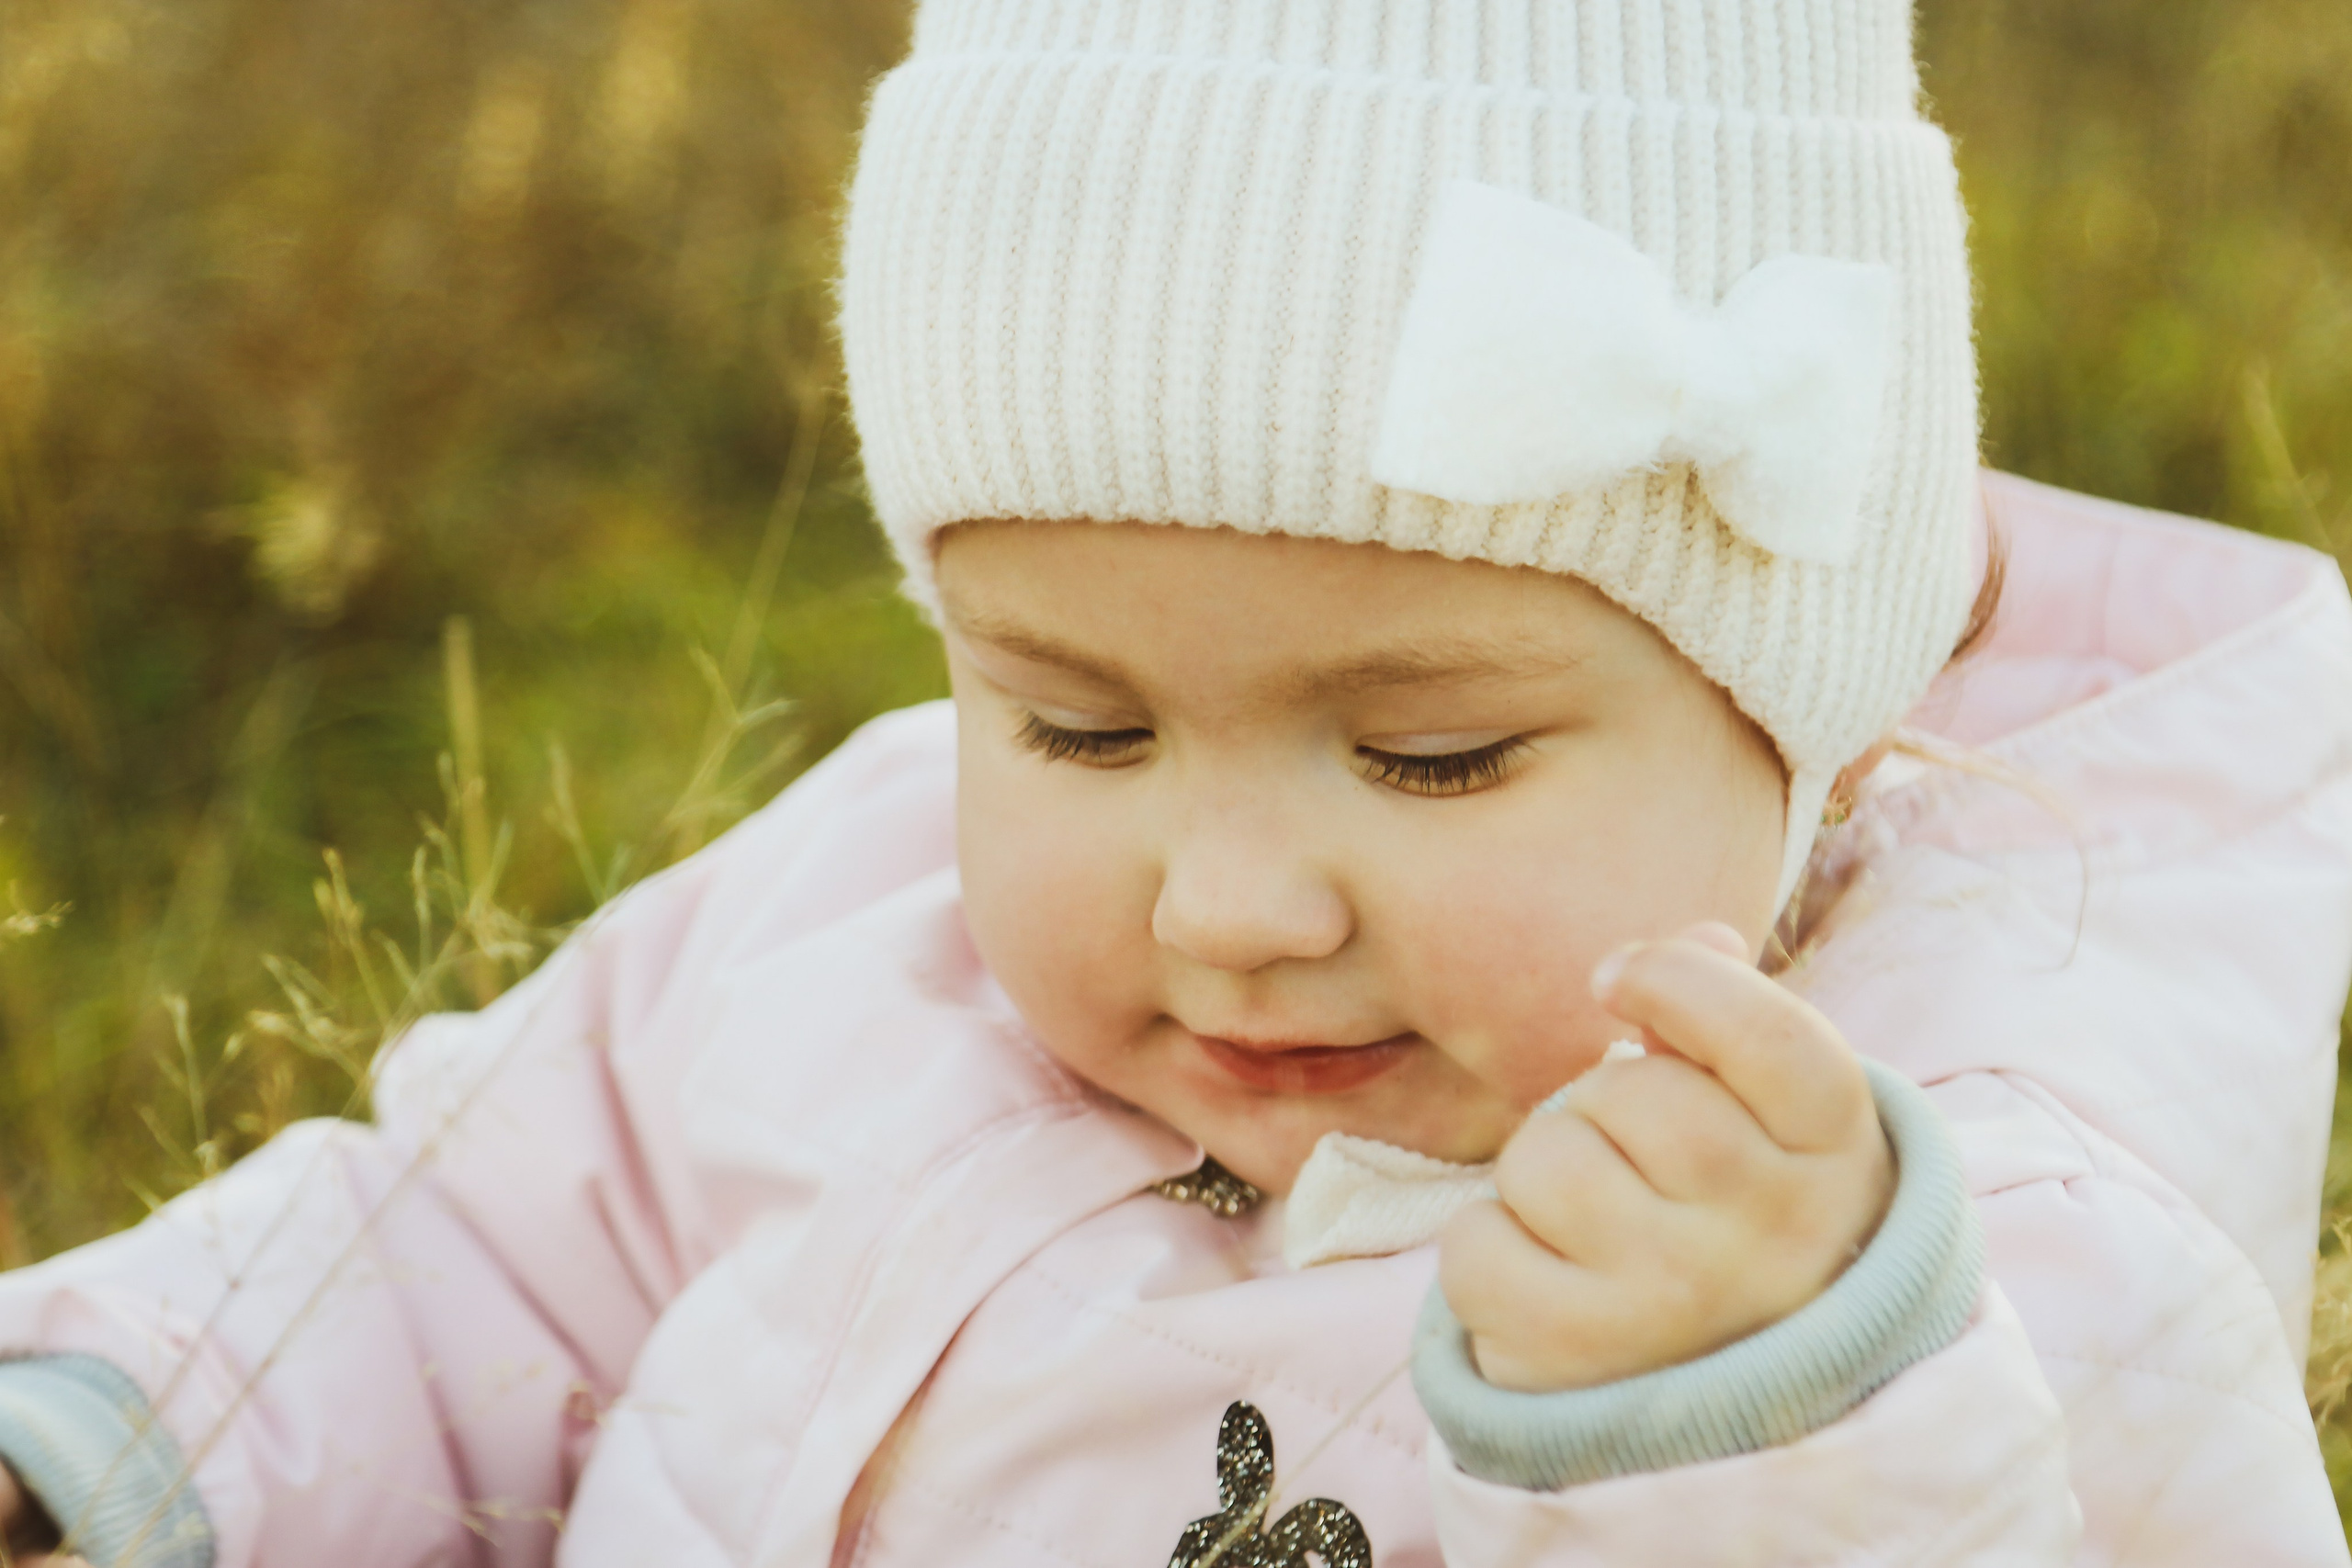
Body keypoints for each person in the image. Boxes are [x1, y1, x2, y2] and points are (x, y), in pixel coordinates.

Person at [3, 1, 2349, 1563]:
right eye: (1074, 722)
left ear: (1793, 708)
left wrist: (1771, 1421)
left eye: (1429, 755)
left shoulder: (1973, 1241)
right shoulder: (858, 914)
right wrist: (113, 1431)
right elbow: (465, 1232)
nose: (1223, 901)